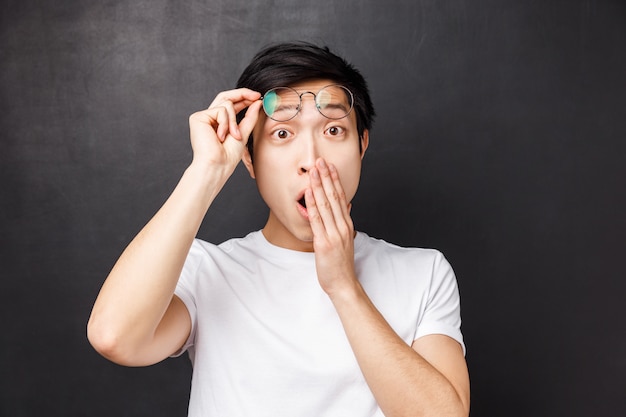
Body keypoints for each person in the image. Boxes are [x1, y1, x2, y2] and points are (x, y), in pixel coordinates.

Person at [87, 42, 470, 417]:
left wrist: (343, 286)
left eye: (333, 131)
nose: (311, 159)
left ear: (362, 145)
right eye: (283, 134)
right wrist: (206, 172)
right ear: (249, 160)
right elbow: (114, 337)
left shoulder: (424, 273)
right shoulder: (208, 270)